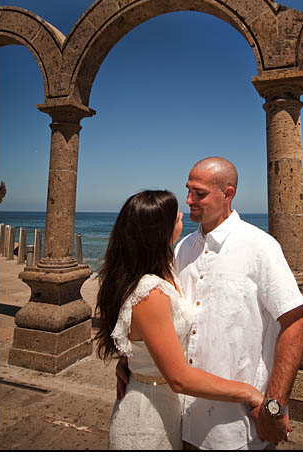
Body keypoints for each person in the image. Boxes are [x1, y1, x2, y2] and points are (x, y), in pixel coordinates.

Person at [116, 158, 303, 451]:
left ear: (227, 194)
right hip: (180, 419)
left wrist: (274, 404)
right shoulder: (181, 250)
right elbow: (158, 317)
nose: (189, 200)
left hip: (239, 426)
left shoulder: (260, 246)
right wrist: (134, 361)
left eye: (199, 193)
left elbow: (296, 324)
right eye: (189, 191)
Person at [95, 189, 264, 451]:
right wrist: (248, 392)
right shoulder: (150, 292)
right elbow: (179, 379)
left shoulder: (155, 270)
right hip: (147, 421)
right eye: (176, 217)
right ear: (159, 232)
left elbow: (143, 337)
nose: (184, 212)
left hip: (164, 405)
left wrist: (132, 362)